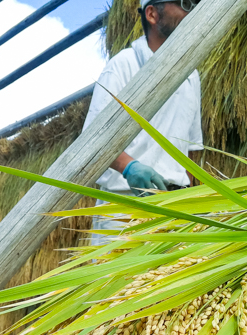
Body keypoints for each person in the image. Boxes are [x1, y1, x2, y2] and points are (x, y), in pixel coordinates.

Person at [83, 0, 202, 245]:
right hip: (124, 205)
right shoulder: (123, 66)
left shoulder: (191, 75)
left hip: (173, 208)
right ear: (152, 14)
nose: (191, 11)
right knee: (115, 282)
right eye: (184, 3)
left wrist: (188, 197)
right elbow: (92, 140)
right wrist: (129, 167)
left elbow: (190, 149)